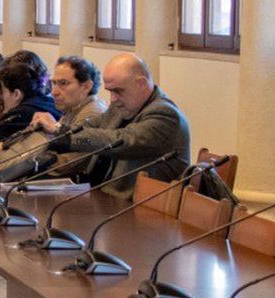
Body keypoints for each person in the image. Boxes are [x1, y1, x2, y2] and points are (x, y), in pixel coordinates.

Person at [34, 53, 191, 195]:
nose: (113, 99)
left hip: (136, 207)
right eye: (110, 91)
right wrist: (58, 133)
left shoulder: (165, 114)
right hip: (100, 194)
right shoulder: (122, 105)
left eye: (118, 91)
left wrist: (64, 135)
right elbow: (88, 128)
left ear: (141, 83)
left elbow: (119, 141)